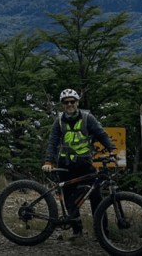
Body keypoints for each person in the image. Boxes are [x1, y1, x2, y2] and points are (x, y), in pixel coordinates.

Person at [42, 88, 116, 239]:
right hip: (65, 164)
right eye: (66, 102)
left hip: (85, 164)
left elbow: (101, 134)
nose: (69, 104)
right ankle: (77, 231)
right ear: (62, 104)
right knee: (70, 200)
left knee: (96, 198)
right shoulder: (59, 121)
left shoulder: (88, 118)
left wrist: (112, 149)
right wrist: (49, 161)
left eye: (72, 101)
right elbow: (53, 142)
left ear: (77, 102)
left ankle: (103, 233)